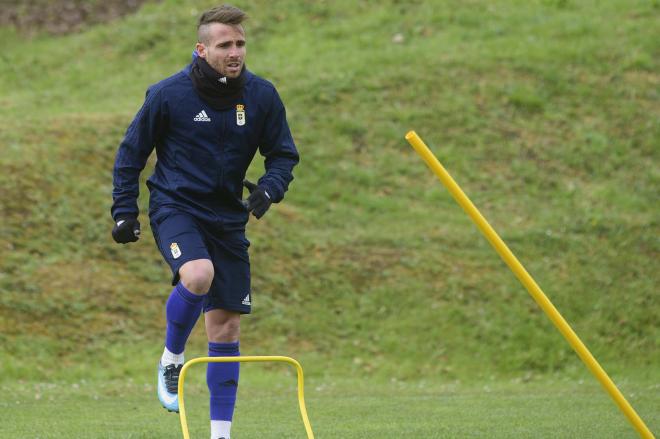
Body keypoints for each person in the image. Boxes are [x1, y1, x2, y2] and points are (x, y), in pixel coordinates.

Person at [110, 5, 299, 439]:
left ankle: (220, 435)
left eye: (240, 44)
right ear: (201, 49)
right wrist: (124, 210)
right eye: (224, 45)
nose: (235, 52)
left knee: (227, 326)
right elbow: (130, 154)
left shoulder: (261, 96)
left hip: (227, 218)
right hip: (175, 207)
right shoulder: (167, 94)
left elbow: (283, 154)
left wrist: (271, 187)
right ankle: (172, 358)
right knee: (197, 274)